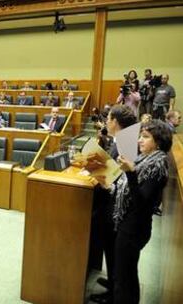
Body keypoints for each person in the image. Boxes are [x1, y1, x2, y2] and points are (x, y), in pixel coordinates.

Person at [113, 120, 172, 304]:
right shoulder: (144, 159)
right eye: (140, 136)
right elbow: (127, 190)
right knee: (125, 273)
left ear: (159, 142)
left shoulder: (158, 165)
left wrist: (130, 173)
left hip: (134, 228)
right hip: (129, 224)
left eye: (145, 137)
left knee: (125, 277)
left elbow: (141, 203)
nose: (139, 140)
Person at [88, 105, 137, 304]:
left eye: (108, 118)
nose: (106, 121)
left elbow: (120, 176)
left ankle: (114, 293)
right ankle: (112, 282)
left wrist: (95, 170)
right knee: (110, 248)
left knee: (114, 248)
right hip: (113, 202)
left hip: (116, 207)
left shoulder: (126, 140)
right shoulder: (123, 138)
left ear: (115, 121)